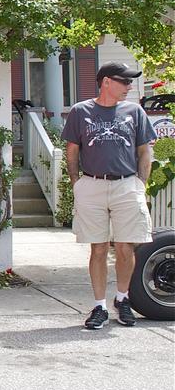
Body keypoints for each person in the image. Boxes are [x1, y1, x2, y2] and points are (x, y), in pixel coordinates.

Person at [62, 62, 156, 330]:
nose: (129, 87)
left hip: (127, 185)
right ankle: (99, 306)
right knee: (99, 248)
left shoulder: (134, 111)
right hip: (92, 184)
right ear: (106, 81)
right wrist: (76, 183)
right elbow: (72, 150)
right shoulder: (81, 111)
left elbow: (144, 151)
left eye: (130, 82)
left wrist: (141, 183)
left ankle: (123, 299)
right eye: (124, 81)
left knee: (126, 247)